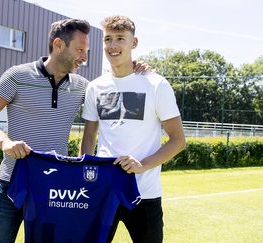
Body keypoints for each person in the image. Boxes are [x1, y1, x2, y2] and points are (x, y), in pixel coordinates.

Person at [0, 18, 150, 243]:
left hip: (53, 189)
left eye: (86, 51)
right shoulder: (17, 76)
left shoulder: (82, 87)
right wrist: (4, 142)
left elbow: (112, 91)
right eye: (79, 50)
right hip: (11, 181)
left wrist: (135, 69)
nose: (84, 57)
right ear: (58, 45)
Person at [79, 15, 186, 243]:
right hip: (103, 193)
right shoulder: (95, 87)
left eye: (120, 38)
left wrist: (142, 165)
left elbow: (178, 140)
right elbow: (89, 137)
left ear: (133, 43)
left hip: (144, 194)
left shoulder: (157, 84)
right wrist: (85, 175)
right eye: (108, 39)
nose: (113, 45)